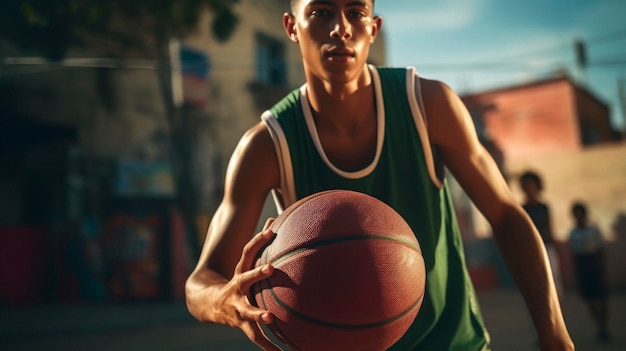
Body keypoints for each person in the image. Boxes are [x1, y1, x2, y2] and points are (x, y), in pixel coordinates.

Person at [185, 1, 574, 350]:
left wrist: (554, 331)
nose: (341, 28)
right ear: (291, 26)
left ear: (373, 27)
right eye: (320, 13)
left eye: (356, 13)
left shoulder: (428, 106)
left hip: (451, 342)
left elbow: (506, 216)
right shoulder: (268, 145)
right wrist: (225, 302)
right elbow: (201, 282)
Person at [568, 202, 611, 343]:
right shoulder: (573, 234)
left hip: (594, 264)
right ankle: (600, 327)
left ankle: (603, 327)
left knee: (601, 299)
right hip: (583, 265)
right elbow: (574, 255)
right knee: (590, 300)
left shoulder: (593, 230)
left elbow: (600, 251)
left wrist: (603, 270)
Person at [519, 171, 562, 294]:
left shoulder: (543, 208)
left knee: (553, 280)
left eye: (531, 186)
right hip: (531, 250)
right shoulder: (523, 210)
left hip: (546, 246)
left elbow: (549, 228)